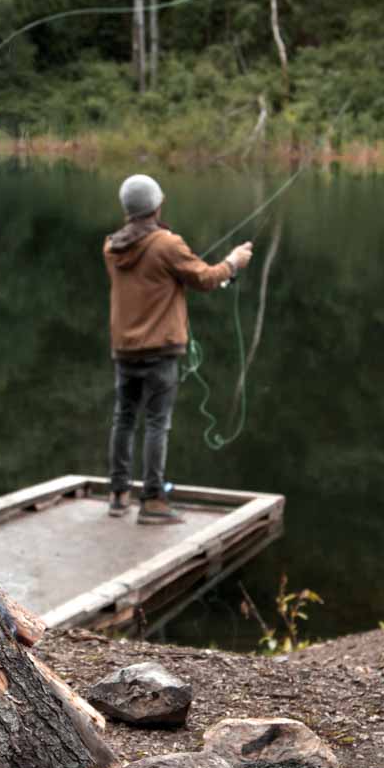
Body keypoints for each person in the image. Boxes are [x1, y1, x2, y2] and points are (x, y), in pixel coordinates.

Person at [104, 174, 252, 525]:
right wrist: (233, 262)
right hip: (160, 349)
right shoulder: (166, 244)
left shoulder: (111, 247)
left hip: (124, 349)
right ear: (157, 205)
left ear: (128, 209)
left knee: (123, 419)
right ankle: (153, 500)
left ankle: (118, 494)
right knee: (157, 423)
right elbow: (205, 278)